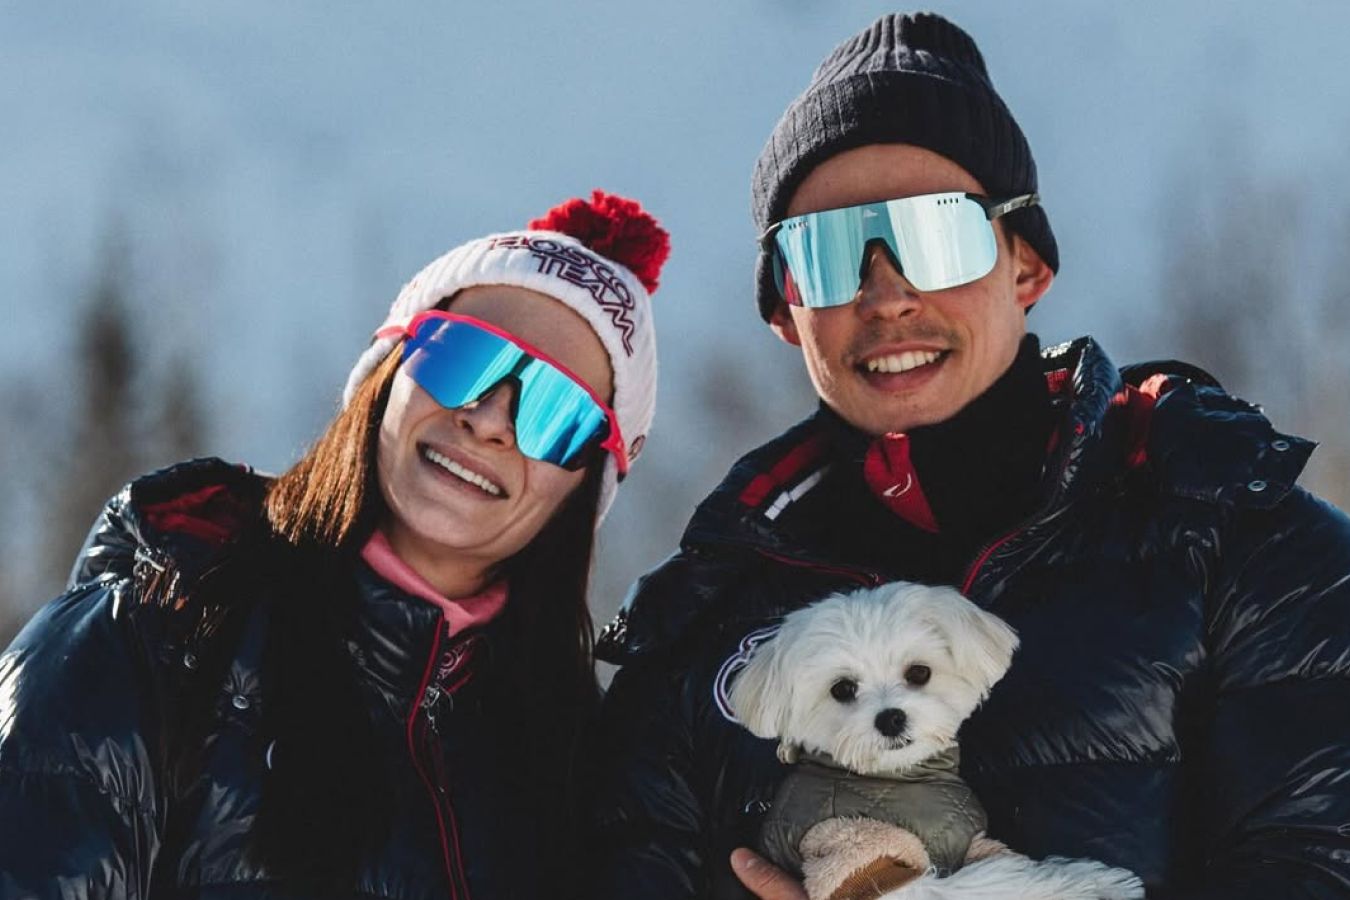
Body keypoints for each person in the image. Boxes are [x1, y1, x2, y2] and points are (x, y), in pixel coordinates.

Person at [589, 12, 1350, 899]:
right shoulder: (695, 638)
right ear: (786, 313)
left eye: (936, 235)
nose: (886, 295)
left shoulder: (1242, 541)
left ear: (1026, 267)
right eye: (828, 253)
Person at [0, 190, 669, 899]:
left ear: (586, 485)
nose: (489, 421)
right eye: (463, 359)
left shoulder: (587, 778)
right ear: (388, 373)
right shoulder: (150, 641)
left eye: (556, 413)